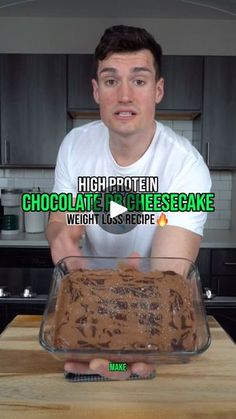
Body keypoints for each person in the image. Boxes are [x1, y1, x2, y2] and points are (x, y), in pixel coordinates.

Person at [46, 25, 211, 380]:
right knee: (85, 369)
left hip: (151, 316)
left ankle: (118, 368)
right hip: (86, 307)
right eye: (110, 81)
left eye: (138, 80)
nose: (124, 95)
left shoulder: (185, 165)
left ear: (158, 90)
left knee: (131, 369)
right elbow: (63, 219)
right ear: (96, 91)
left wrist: (128, 316)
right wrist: (59, 234)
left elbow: (170, 273)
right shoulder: (75, 145)